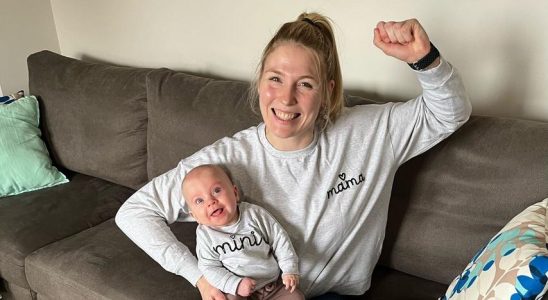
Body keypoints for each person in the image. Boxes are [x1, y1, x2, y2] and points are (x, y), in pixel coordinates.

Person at [116, 12, 472, 299]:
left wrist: (425, 61)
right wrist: (201, 279)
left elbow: (449, 114)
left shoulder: (371, 132)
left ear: (327, 91)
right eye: (275, 79)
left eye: (305, 83)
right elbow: (135, 213)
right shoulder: (227, 161)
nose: (285, 99)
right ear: (259, 82)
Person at [182, 164, 303, 300]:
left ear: (235, 193)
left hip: (273, 286)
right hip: (236, 291)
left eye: (216, 190)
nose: (211, 201)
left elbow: (279, 240)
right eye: (199, 200)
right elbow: (209, 267)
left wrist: (289, 269)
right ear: (195, 217)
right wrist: (235, 284)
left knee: (295, 296)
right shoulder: (206, 235)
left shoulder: (254, 214)